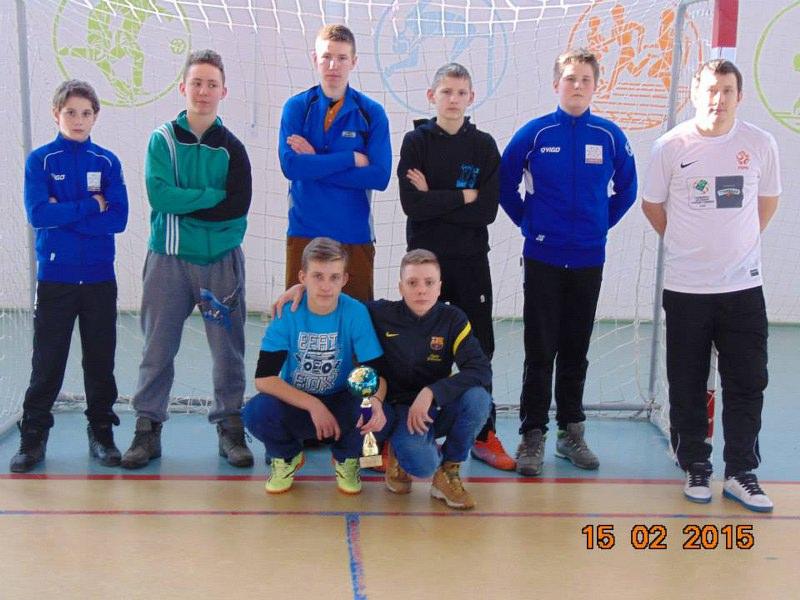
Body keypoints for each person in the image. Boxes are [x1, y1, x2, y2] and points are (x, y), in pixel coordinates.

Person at [642, 59, 781, 513]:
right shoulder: (669, 146)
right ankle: (696, 466)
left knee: (747, 382)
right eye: (710, 89)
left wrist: (735, 248)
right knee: (686, 382)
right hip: (686, 290)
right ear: (694, 93)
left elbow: (767, 202)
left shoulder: (760, 144)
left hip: (743, 288)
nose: (718, 99)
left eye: (727, 90)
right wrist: (688, 246)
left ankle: (741, 472)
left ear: (740, 96)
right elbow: (652, 205)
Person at [499, 48, 637, 476]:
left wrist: (598, 226)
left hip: (588, 259)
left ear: (596, 86)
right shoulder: (535, 133)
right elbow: (504, 185)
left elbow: (627, 190)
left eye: (585, 79)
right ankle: (532, 435)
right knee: (540, 351)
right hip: (542, 256)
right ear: (556, 83)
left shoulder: (609, 135)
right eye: (570, 78)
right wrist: (530, 224)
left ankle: (570, 433)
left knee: (576, 350)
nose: (577, 86)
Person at [274, 249, 494, 510]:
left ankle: (448, 471)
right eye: (412, 282)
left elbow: (481, 370)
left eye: (429, 282)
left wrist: (432, 392)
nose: (421, 290)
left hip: (432, 406)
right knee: (423, 464)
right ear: (401, 287)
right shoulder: (381, 313)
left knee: (478, 398)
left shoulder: (453, 319)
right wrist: (302, 288)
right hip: (396, 409)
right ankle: (399, 453)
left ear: (439, 287)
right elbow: (333, 298)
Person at [121, 49, 254, 469]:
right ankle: (147, 428)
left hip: (220, 261)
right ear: (182, 87)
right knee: (157, 348)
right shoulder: (162, 140)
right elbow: (161, 197)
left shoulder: (232, 149)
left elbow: (237, 210)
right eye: (196, 82)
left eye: (212, 84)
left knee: (228, 350)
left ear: (223, 92)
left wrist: (190, 206)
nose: (203, 91)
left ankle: (230, 425)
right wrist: (212, 197)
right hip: (169, 260)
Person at [396, 62, 514, 471]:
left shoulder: (483, 146)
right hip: (424, 264)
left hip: (469, 261)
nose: (453, 99)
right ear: (432, 96)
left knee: (479, 345)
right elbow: (412, 205)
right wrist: (463, 196)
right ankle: (411, 427)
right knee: (416, 347)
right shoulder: (416, 141)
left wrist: (436, 197)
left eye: (461, 92)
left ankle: (483, 432)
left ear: (471, 98)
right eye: (446, 91)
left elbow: (488, 210)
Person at [10, 79, 129, 472]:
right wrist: (91, 205)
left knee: (100, 362)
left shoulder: (107, 162)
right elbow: (38, 214)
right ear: (56, 114)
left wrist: (65, 213)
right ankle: (33, 437)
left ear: (95, 116)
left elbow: (119, 218)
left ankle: (102, 433)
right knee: (48, 362)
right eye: (71, 112)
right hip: (56, 279)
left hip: (98, 280)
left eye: (86, 113)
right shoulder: (41, 161)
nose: (78, 120)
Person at [242, 237, 389, 495]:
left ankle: (346, 458)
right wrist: (313, 405)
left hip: (341, 401)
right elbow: (264, 378)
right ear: (303, 277)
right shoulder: (287, 312)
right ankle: (287, 456)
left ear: (344, 279)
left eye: (334, 277)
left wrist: (375, 402)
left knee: (380, 413)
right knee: (255, 412)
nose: (326, 286)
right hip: (298, 404)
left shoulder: (355, 312)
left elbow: (376, 374)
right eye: (318, 276)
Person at [278, 24, 392, 302]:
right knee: (299, 319)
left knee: (357, 321)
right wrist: (349, 159)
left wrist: (314, 163)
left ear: (354, 62)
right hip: (305, 231)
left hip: (354, 234)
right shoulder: (297, 107)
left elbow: (380, 176)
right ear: (314, 59)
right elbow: (291, 167)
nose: (333, 65)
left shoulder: (371, 112)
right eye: (326, 56)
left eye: (342, 58)